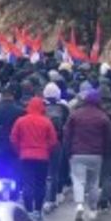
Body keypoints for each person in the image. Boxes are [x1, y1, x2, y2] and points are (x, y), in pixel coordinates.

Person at [63, 88, 111, 221]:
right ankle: (92, 209)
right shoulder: (102, 116)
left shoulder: (75, 115)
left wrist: (67, 151)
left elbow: (67, 134)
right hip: (96, 154)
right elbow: (109, 137)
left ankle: (79, 204)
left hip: (77, 152)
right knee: (93, 182)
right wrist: (107, 152)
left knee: (78, 180)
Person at [10, 97, 59, 221]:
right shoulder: (46, 122)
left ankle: (29, 210)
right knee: (40, 184)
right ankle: (38, 210)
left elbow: (13, 138)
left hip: (25, 156)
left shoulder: (21, 121)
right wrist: (46, 150)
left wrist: (19, 151)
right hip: (42, 157)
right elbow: (53, 141)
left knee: (27, 183)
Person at [42, 82, 70, 212]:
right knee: (56, 170)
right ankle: (55, 195)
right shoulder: (63, 107)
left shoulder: (42, 107)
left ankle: (45, 197)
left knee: (45, 171)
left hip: (43, 142)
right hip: (59, 141)